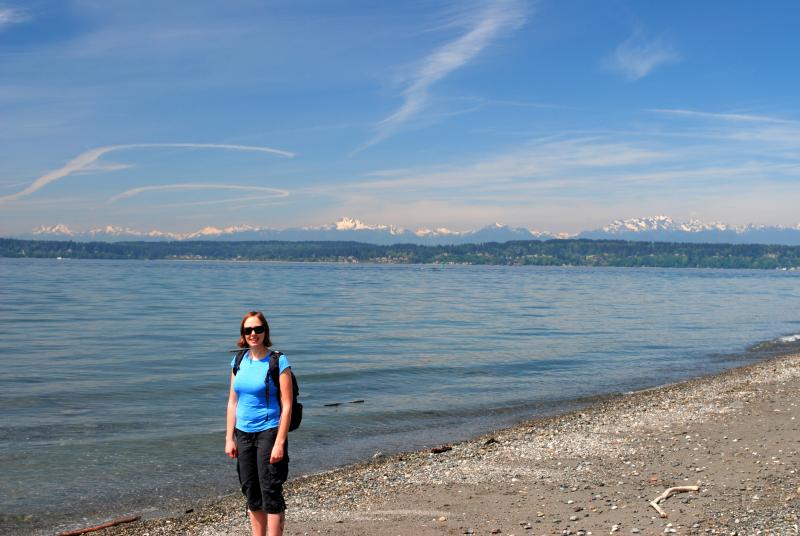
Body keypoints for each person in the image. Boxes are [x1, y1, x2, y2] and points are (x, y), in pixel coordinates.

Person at [225, 311, 293, 536]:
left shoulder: (278, 360)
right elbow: (232, 402)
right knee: (251, 490)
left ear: (265, 331)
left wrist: (280, 442)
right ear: (243, 334)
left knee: (270, 489)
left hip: (269, 431)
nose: (253, 334)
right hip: (242, 434)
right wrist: (229, 438)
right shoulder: (238, 360)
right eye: (248, 330)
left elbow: (287, 404)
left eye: (257, 329)